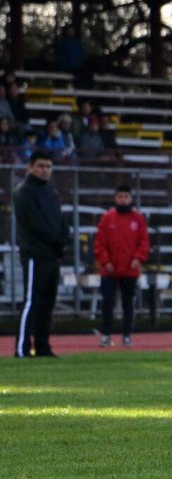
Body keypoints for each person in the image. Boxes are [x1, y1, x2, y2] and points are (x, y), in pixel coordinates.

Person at [13, 151, 70, 358]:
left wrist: (65, 240)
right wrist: (56, 241)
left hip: (52, 255)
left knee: (47, 302)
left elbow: (60, 220)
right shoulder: (24, 192)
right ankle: (22, 347)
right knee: (31, 301)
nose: (44, 170)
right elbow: (34, 223)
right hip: (35, 254)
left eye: (48, 166)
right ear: (31, 167)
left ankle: (43, 345)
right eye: (40, 166)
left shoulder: (51, 192)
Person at [94, 185, 150, 348]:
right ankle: (106, 335)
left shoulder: (138, 218)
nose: (123, 200)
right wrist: (106, 261)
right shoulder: (107, 218)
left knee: (128, 303)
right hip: (110, 270)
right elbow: (99, 243)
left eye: (126, 197)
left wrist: (138, 258)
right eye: (120, 196)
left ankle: (126, 335)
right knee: (107, 302)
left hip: (129, 270)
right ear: (115, 198)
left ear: (130, 199)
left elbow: (144, 241)